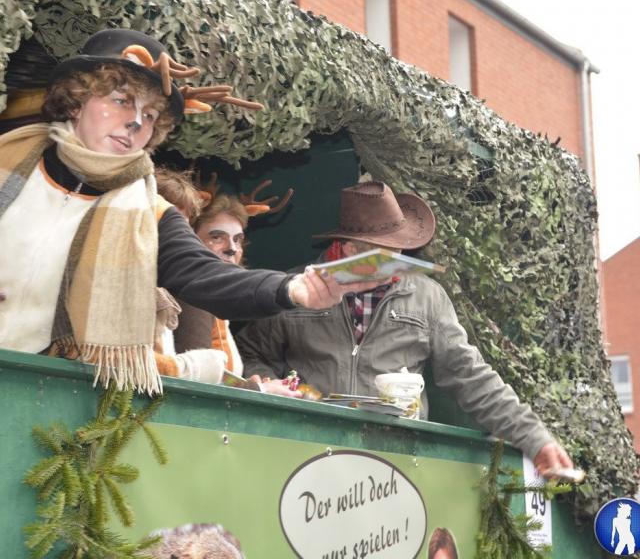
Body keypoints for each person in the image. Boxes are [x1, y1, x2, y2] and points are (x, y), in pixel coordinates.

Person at [0, 28, 376, 394]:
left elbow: (204, 274)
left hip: (49, 391)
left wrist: (291, 288)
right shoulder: (8, 164)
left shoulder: (151, 214)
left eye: (150, 114)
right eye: (121, 100)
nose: (136, 121)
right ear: (75, 102)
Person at [236, 181, 574, 477]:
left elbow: (470, 375)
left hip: (396, 466)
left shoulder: (428, 297)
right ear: (349, 249)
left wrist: (535, 438)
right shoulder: (296, 288)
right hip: (304, 455)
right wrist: (270, 386)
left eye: (400, 250)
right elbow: (248, 353)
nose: (398, 264)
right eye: (385, 255)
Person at [155, 168, 300, 396]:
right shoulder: (190, 294)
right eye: (216, 237)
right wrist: (259, 389)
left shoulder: (214, 300)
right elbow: (195, 382)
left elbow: (210, 374)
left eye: (237, 239)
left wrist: (251, 386)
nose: (231, 248)